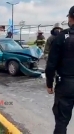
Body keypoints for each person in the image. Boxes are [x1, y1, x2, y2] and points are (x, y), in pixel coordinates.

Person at [45, 6, 74, 134]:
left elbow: (51, 64)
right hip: (66, 83)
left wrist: (49, 84)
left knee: (62, 121)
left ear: (71, 18)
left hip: (65, 85)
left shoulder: (62, 37)